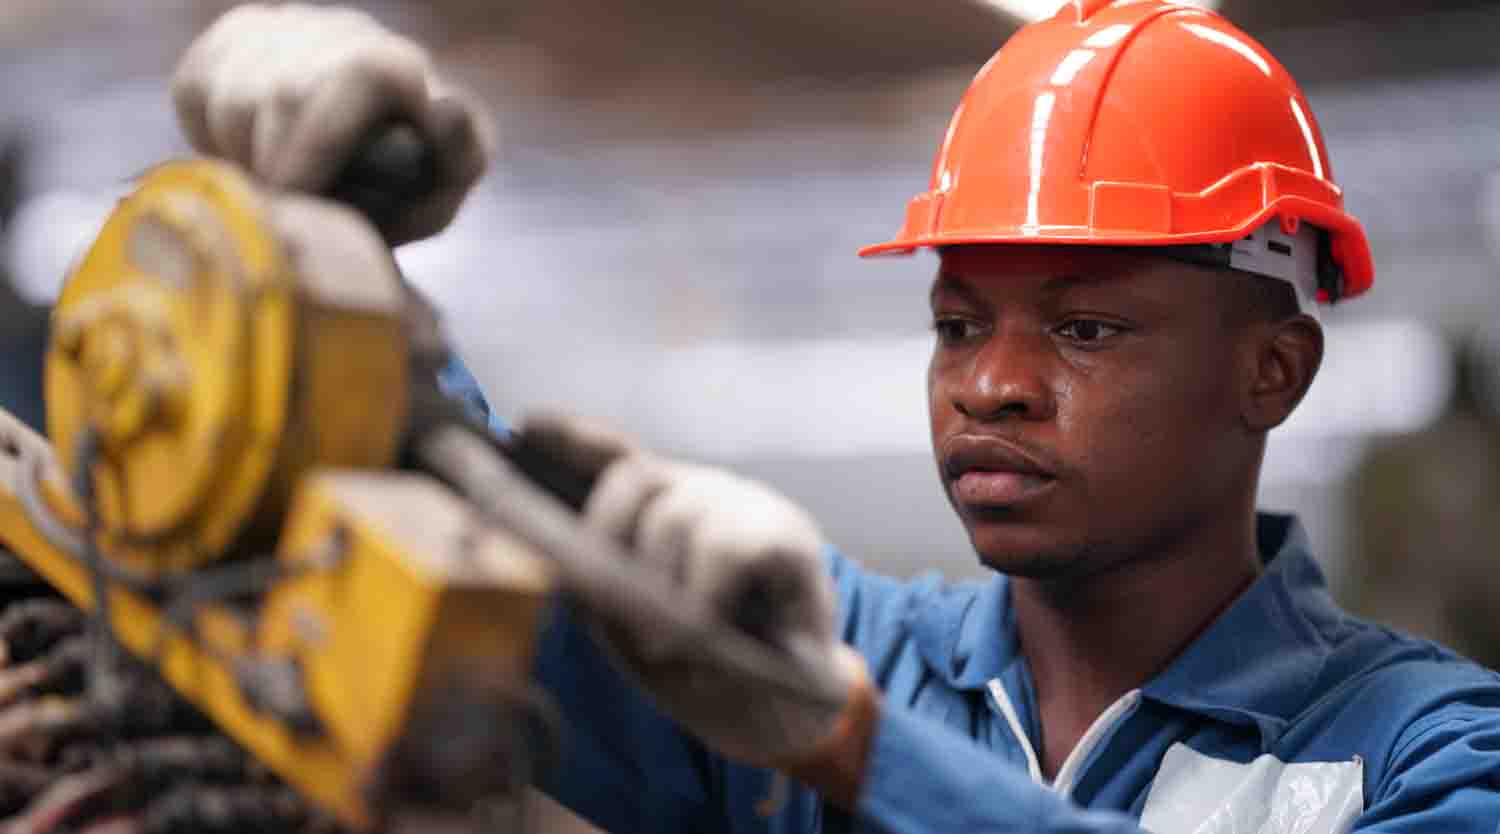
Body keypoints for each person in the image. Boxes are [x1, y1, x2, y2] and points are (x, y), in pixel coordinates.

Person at [171, 3, 1500, 832]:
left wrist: (852, 747)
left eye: (1086, 328)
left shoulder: (1434, 750)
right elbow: (501, 597)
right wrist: (333, 258)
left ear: (1273, 371)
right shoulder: (835, 650)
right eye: (958, 324)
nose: (991, 384)